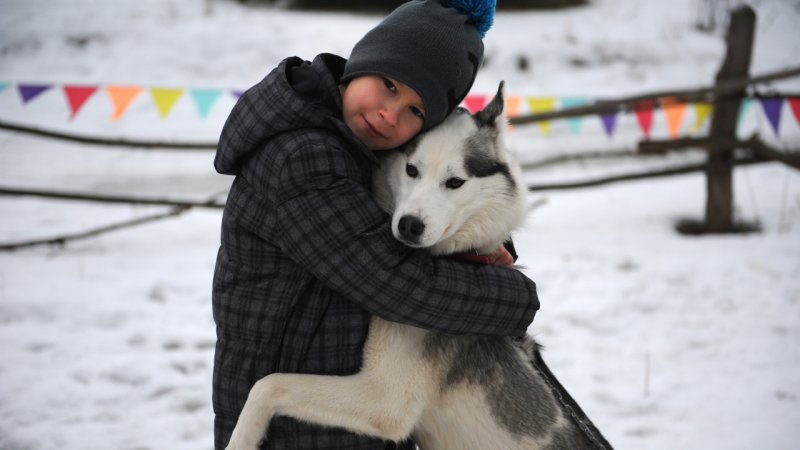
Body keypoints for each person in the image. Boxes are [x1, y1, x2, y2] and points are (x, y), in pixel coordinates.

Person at [212, 1, 539, 448]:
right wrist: (516, 298)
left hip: (341, 421)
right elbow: (393, 281)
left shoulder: (356, 147)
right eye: (388, 85)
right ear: (360, 62)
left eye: (415, 112)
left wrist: (478, 248)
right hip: (297, 432)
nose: (390, 114)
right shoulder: (304, 157)